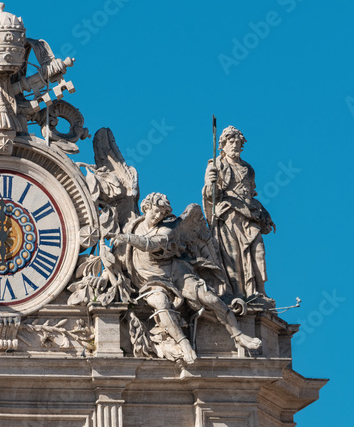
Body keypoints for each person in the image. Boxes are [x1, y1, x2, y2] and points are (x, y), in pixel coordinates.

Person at [112, 193, 261, 361]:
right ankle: (183, 344)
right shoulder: (132, 226)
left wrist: (127, 238)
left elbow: (151, 244)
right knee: (161, 304)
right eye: (155, 211)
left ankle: (238, 334)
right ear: (146, 207)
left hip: (176, 272)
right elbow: (118, 259)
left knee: (209, 297)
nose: (158, 216)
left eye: (162, 213)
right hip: (150, 281)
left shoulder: (167, 230)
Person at [203, 126, 274, 299]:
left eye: (237, 142)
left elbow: (251, 194)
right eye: (231, 142)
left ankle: (260, 292)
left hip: (249, 216)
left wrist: (264, 213)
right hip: (228, 217)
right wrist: (211, 182)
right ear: (223, 144)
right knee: (233, 256)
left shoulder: (248, 169)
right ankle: (238, 294)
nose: (234, 145)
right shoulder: (216, 165)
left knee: (258, 252)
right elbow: (211, 196)